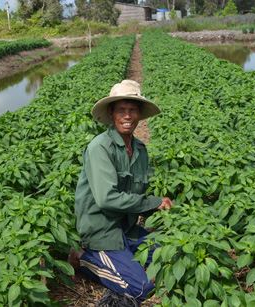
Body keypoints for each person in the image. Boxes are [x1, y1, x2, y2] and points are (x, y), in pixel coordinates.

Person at [73, 80, 175, 306]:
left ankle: (124, 258)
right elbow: (107, 199)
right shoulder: (100, 147)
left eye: (132, 110)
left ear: (140, 114)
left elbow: (139, 193)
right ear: (111, 113)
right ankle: (83, 258)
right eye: (121, 109)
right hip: (102, 231)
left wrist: (165, 217)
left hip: (127, 229)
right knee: (140, 288)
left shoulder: (139, 148)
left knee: (174, 253)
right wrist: (154, 201)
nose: (127, 116)